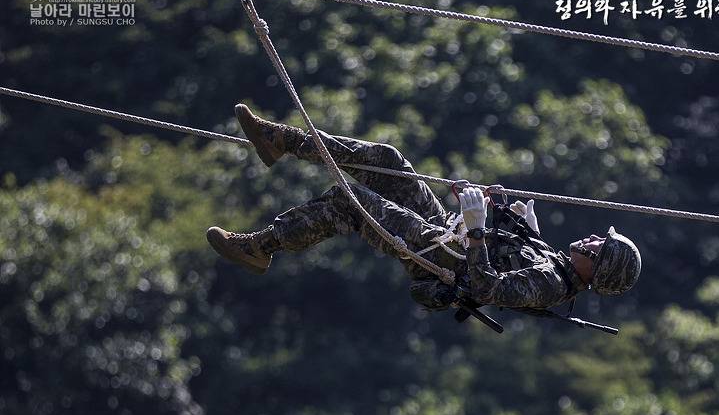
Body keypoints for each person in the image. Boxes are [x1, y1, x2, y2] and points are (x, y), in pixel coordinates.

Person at [206, 104, 642, 311]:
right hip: (443, 231)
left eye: (598, 248)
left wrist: (475, 229)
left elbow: (486, 288)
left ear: (598, 271)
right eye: (597, 239)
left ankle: (261, 247)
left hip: (436, 251)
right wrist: (511, 217)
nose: (589, 241)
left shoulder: (549, 284)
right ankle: (282, 141)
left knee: (349, 203)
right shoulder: (554, 263)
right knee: (389, 161)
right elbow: (512, 253)